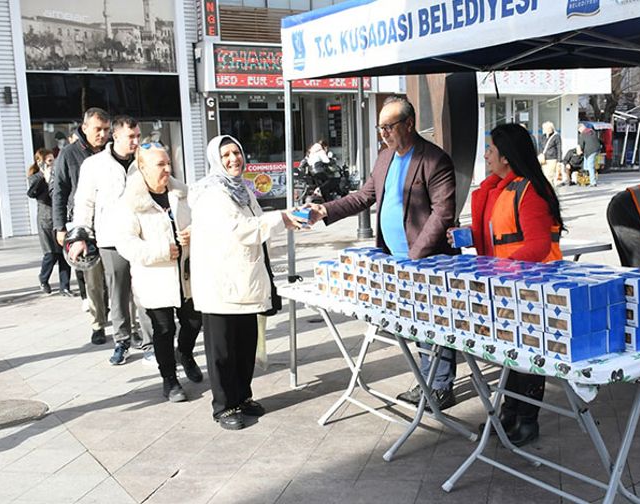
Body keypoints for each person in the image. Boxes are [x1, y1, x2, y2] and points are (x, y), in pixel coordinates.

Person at [306, 95, 459, 410]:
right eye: (381, 128)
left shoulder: (434, 159)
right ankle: (427, 383)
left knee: (434, 324)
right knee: (417, 326)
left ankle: (441, 387)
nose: (384, 134)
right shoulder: (384, 158)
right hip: (393, 261)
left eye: (389, 127)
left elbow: (443, 214)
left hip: (427, 262)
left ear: (409, 124)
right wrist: (325, 210)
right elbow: (364, 197)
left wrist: (415, 258)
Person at [452, 123, 564, 447]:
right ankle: (510, 412)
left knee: (529, 358)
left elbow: (539, 245)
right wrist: (467, 239)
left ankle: (527, 420)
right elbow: (497, 234)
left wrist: (499, 269)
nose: (485, 155)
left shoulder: (529, 192)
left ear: (507, 156)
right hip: (509, 285)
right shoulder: (502, 188)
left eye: (490, 149)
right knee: (511, 355)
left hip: (531, 287)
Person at [190, 135, 305, 430]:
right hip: (221, 285)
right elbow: (240, 231)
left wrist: (284, 221)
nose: (233, 159)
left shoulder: (241, 190)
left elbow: (257, 225)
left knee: (244, 346)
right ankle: (224, 407)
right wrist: (281, 218)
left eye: (237, 152)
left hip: (243, 282)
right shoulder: (213, 193)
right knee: (222, 351)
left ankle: (242, 398)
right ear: (216, 159)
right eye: (226, 154)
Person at [115, 142, 202, 402]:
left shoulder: (182, 194)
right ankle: (170, 380)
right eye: (160, 164)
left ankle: (184, 353)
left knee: (194, 322)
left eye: (168, 163)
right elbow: (126, 245)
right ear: (142, 168)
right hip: (154, 278)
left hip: (187, 276)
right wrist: (163, 249)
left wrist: (194, 233)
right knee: (163, 330)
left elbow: (202, 222)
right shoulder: (130, 202)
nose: (167, 169)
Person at [71, 115, 154, 366]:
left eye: (138, 136)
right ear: (115, 136)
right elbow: (84, 202)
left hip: (142, 236)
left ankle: (150, 342)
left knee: (145, 292)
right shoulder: (95, 165)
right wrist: (81, 235)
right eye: (131, 136)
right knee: (118, 292)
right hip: (111, 238)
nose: (136, 141)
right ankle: (122, 341)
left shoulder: (144, 161)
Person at [52, 107, 111, 345]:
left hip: (112, 222)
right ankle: (98, 324)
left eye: (106, 130)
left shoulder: (112, 152)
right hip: (83, 225)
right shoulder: (69, 154)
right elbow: (59, 191)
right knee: (93, 279)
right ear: (84, 128)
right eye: (98, 129)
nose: (102, 134)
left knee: (118, 277)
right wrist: (59, 227)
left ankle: (127, 325)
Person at [26, 148, 72, 296]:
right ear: (41, 163)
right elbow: (32, 194)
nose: (53, 164)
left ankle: (64, 286)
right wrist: (44, 179)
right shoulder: (36, 178)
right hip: (45, 219)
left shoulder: (58, 176)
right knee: (51, 254)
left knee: (64, 254)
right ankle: (43, 278)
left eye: (54, 160)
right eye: (50, 161)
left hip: (60, 218)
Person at [577, 122, 601, 187]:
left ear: (580, 129)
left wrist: (579, 151)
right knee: (586, 166)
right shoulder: (592, 131)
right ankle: (588, 179)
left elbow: (581, 145)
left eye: (579, 130)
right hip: (596, 149)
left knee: (590, 167)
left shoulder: (583, 134)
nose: (579, 131)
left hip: (589, 151)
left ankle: (593, 182)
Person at [538, 121, 561, 185]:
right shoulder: (543, 136)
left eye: (545, 128)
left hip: (552, 159)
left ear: (550, 128)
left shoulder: (556, 137)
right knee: (544, 176)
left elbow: (559, 149)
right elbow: (541, 147)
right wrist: (540, 155)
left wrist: (559, 161)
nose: (544, 130)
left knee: (549, 176)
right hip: (543, 160)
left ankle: (550, 191)